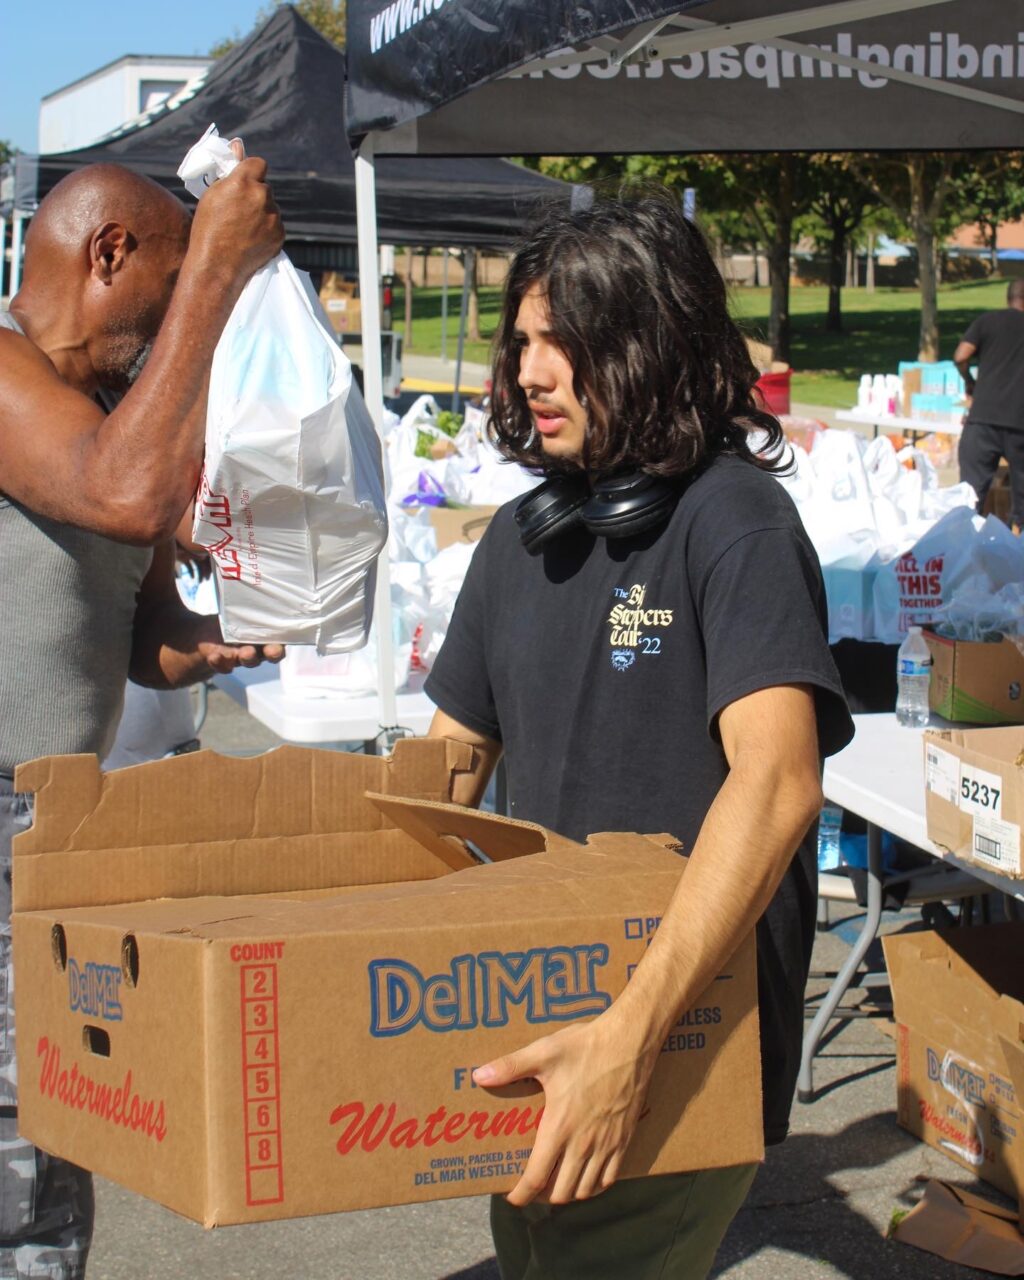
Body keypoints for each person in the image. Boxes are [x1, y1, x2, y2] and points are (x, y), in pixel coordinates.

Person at [425, 192, 854, 1280]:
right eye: (522, 340)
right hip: (535, 1014)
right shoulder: (522, 540)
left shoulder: (734, 521)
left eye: (565, 340)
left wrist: (629, 1037)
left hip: (677, 1030)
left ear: (652, 342)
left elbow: (777, 784)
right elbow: (442, 770)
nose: (530, 371)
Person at [0, 156, 284, 1277]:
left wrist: (208, 643)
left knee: (50, 1138)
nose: (175, 320)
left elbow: (138, 626)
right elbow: (125, 493)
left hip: (49, 826)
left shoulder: (104, 415)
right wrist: (214, 267)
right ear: (109, 253)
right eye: (165, 287)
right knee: (23, 1158)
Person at [954, 279, 1024, 529]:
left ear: (1009, 298)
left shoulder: (987, 321)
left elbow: (961, 356)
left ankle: (965, 552)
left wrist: (969, 382)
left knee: (969, 498)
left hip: (982, 419)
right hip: (1020, 423)